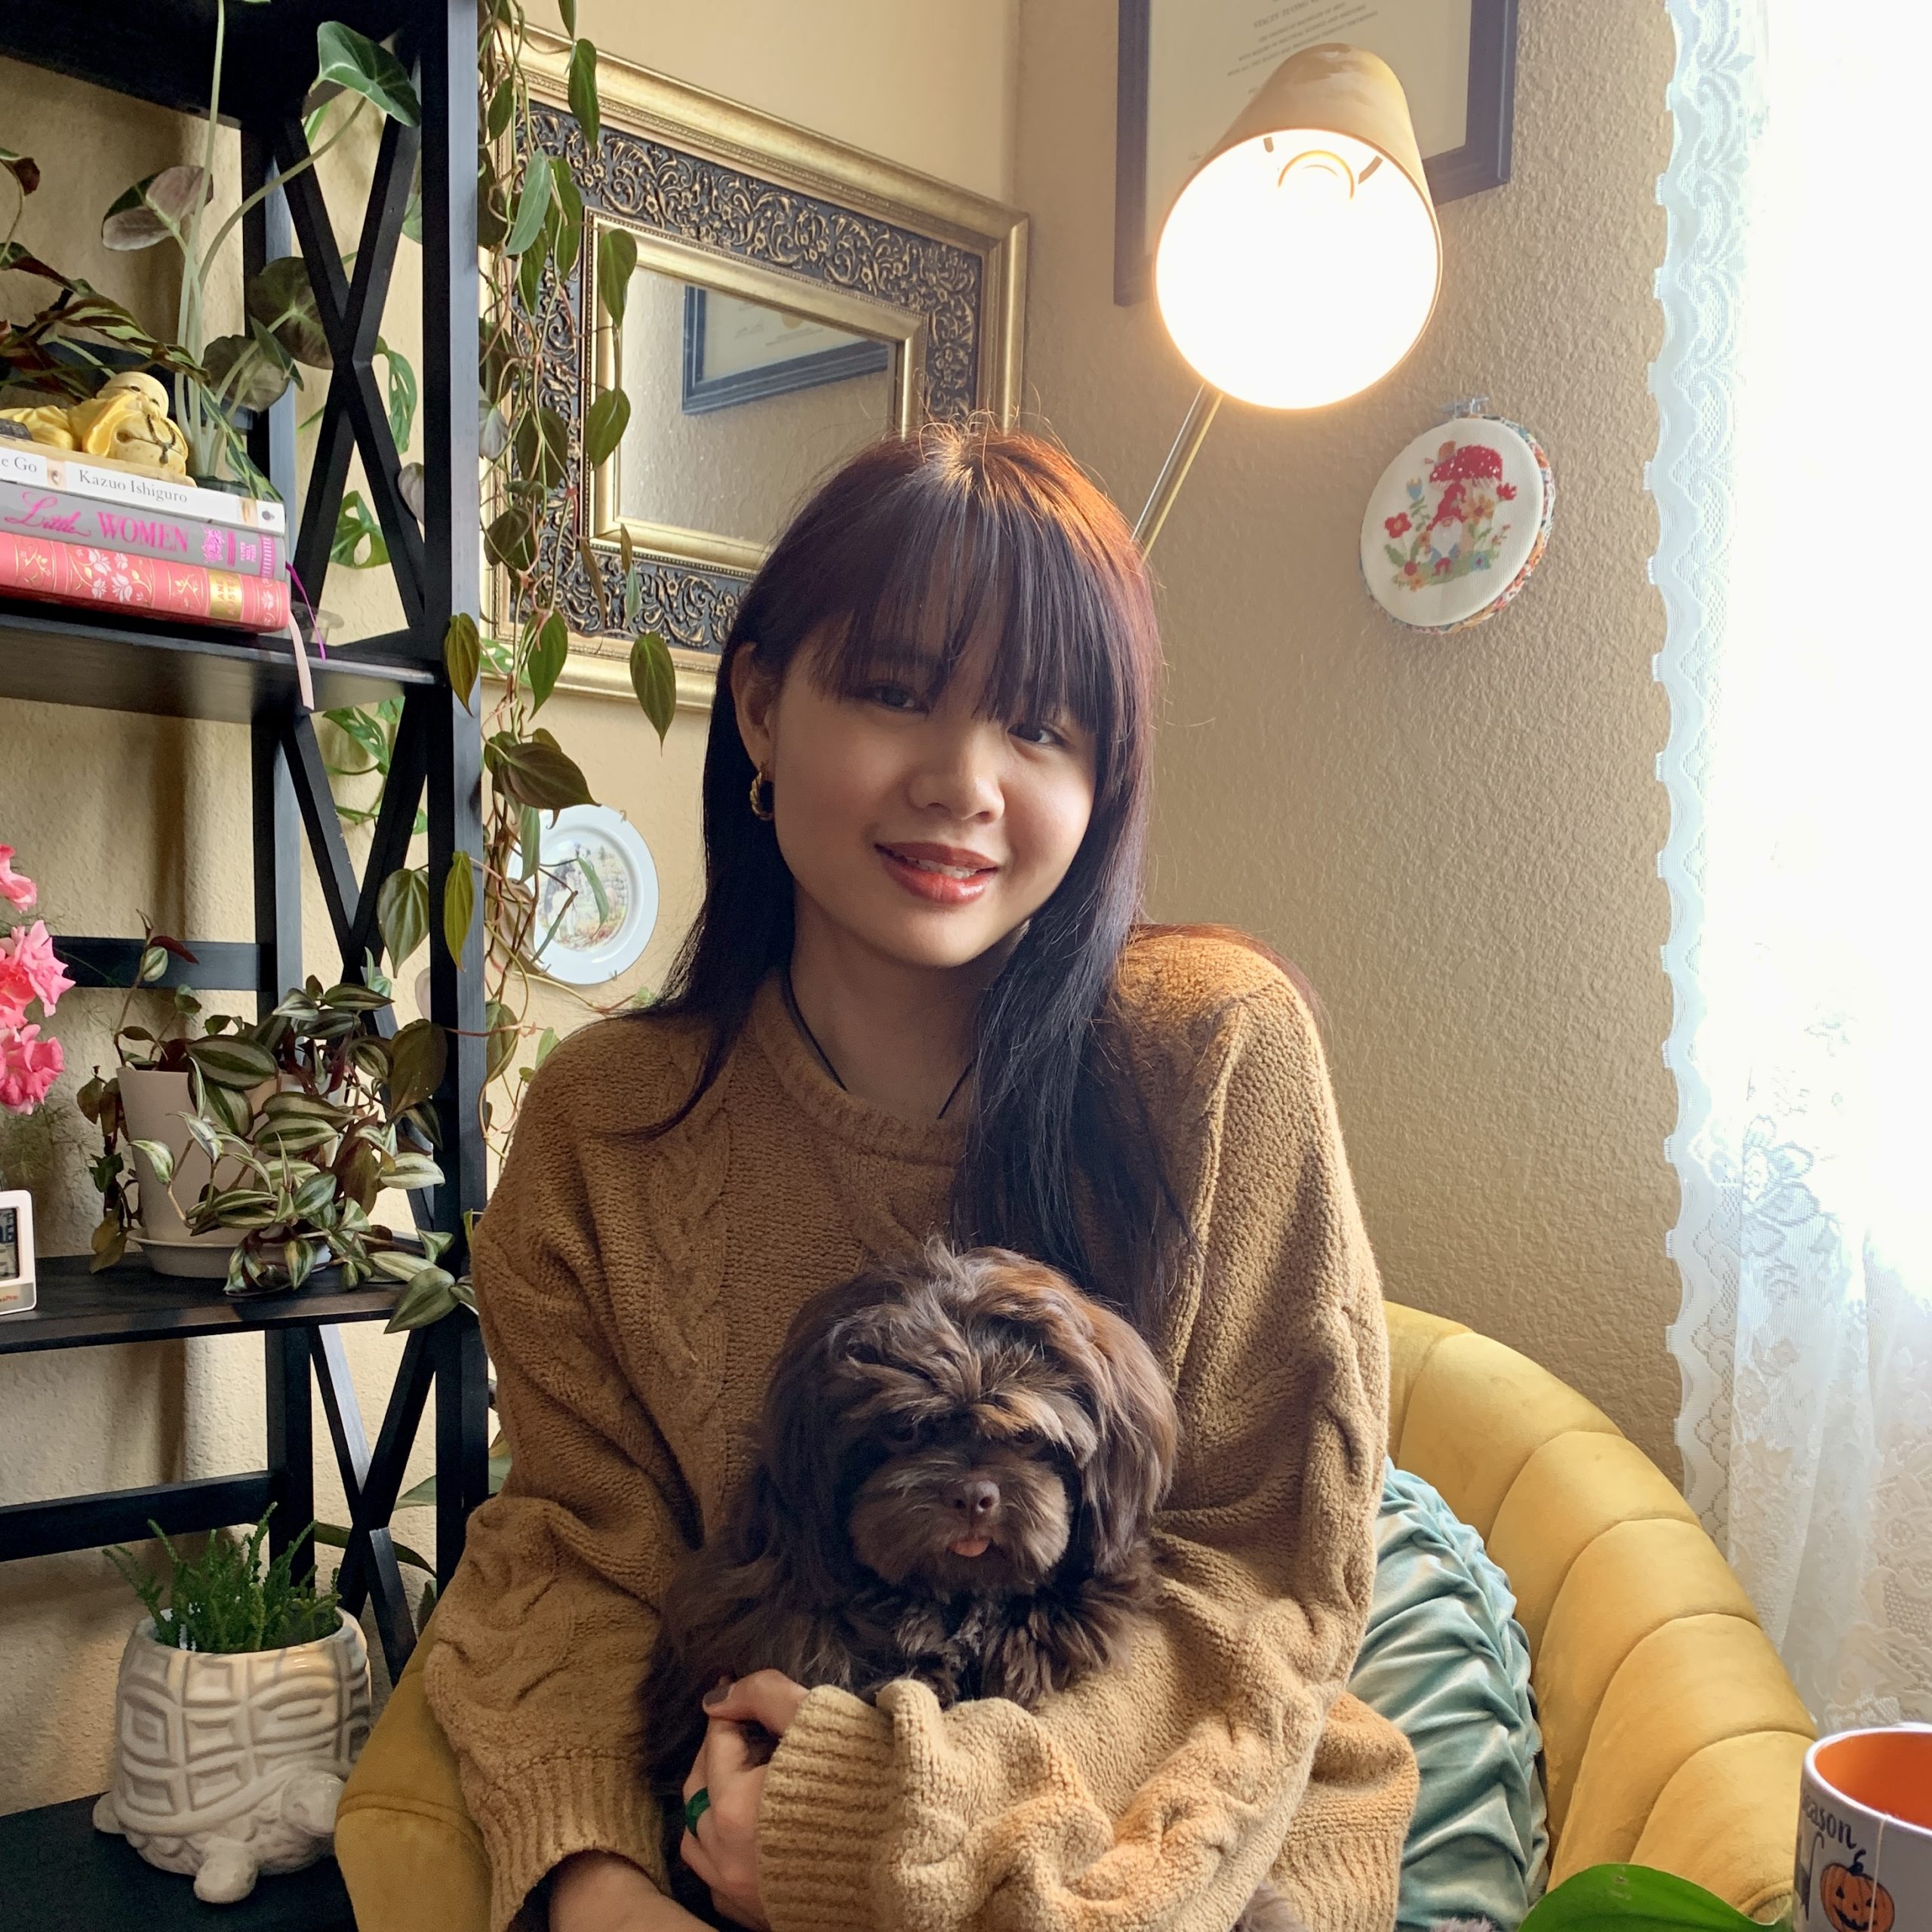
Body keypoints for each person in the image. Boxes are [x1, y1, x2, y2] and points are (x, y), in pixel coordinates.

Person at [423, 419, 1417, 1932]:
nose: (962, 781)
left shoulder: (1215, 1053)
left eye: (1040, 728)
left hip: (1187, 1840)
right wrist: (595, 1876)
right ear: (758, 704)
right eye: (893, 692)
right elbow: (577, 1554)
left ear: (1103, 778)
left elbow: (1262, 1582)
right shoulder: (603, 1124)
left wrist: (888, 1811)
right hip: (740, 1813)